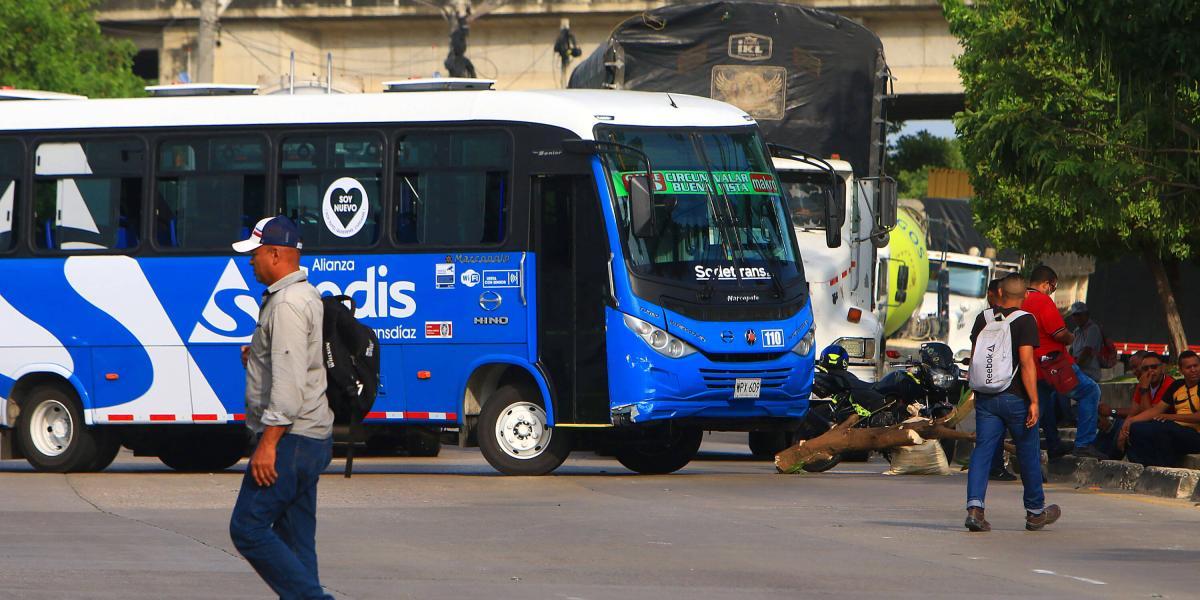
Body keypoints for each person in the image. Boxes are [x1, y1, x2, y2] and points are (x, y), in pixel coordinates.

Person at [228, 216, 336, 600]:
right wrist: (257, 356)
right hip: (312, 438)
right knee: (296, 541)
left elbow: (289, 385)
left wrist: (269, 443)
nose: (250, 262)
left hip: (292, 440)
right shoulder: (304, 294)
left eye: (254, 254)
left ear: (276, 254)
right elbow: (295, 361)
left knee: (248, 527)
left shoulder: (287, 304)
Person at [965, 274, 1061, 532]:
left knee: (983, 451)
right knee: (1028, 451)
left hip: (986, 397)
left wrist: (976, 390)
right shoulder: (1025, 320)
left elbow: (975, 357)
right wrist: (1034, 401)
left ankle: (975, 509)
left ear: (1000, 293)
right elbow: (1027, 362)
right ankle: (1035, 512)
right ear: (1025, 296)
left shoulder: (983, 318)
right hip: (1016, 397)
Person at [1022, 265, 1105, 459]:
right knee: (1090, 391)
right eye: (1054, 287)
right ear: (1046, 284)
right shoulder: (1042, 301)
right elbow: (1059, 333)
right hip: (1053, 364)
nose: (1053, 291)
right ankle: (1084, 443)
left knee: (1039, 408)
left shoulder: (1020, 300)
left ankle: (1041, 445)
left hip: (1031, 366)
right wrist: (1070, 338)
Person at [1124, 351, 1200, 467]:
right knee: (1136, 429)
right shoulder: (1177, 385)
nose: (1193, 370)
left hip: (1195, 435)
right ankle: (1142, 467)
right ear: (1181, 370)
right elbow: (1156, 411)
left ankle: (1164, 468)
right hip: (1178, 430)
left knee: (1162, 429)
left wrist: (1169, 417)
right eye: (1189, 367)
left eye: (1196, 366)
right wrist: (1131, 421)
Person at [1095, 352, 1174, 458]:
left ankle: (1108, 458)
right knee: (1116, 424)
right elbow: (1133, 412)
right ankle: (1097, 454)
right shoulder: (1143, 383)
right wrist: (1123, 429)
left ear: (1162, 368)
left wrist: (1144, 389)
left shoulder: (1169, 384)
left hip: (1164, 427)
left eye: (1154, 367)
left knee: (1126, 426)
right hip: (1147, 424)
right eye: (1145, 368)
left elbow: (1150, 416)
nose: (1150, 371)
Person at [982, 277, 1017, 481]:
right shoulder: (1021, 319)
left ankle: (990, 467)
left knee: (989, 434)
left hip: (985, 383)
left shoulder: (983, 318)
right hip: (1008, 385)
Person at [1068, 302, 1103, 382]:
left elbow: (1087, 351)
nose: (1077, 317)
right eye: (1075, 315)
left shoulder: (1093, 329)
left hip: (1090, 375)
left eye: (1079, 314)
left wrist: (1074, 368)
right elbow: (1071, 351)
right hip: (1080, 374)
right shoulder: (1076, 331)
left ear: (1086, 314)